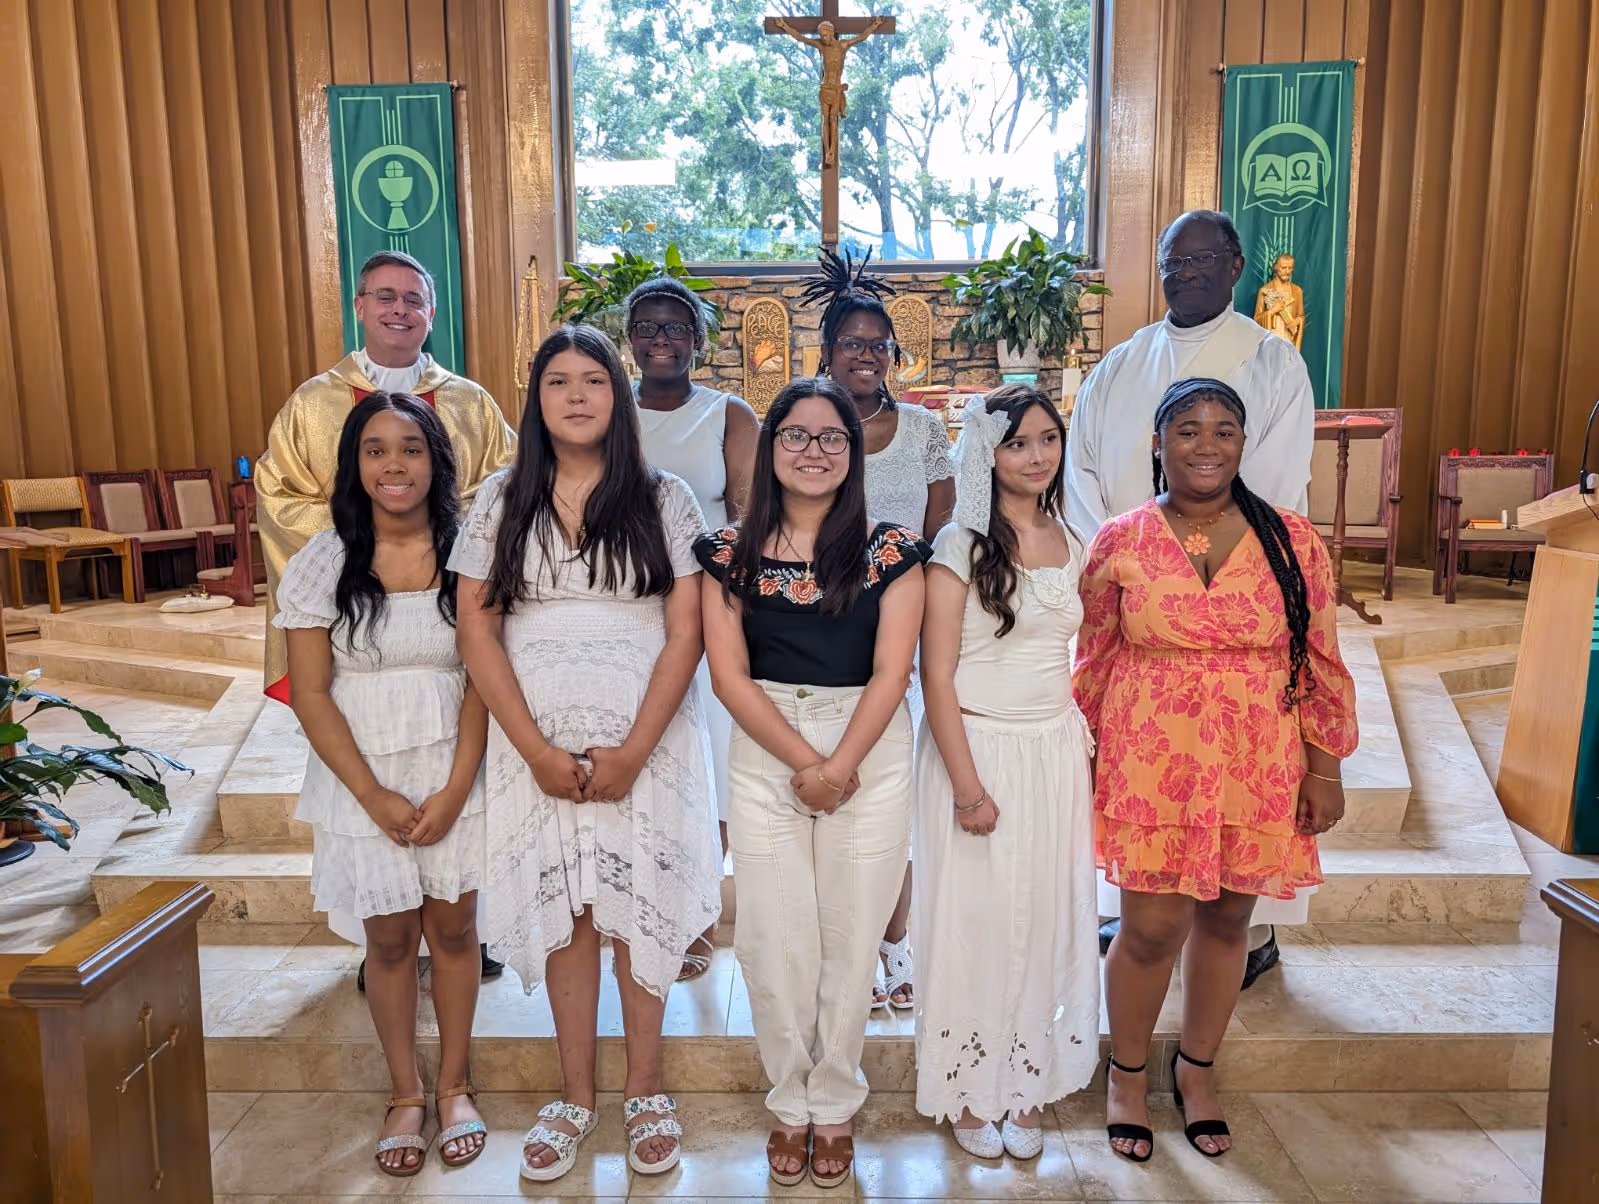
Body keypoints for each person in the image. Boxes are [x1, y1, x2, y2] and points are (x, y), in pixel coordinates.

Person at [450, 325, 721, 1183]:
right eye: (558, 381)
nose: (575, 395)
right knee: (566, 910)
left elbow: (687, 627)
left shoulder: (662, 495)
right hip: (535, 740)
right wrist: (529, 747)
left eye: (593, 381)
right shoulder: (499, 498)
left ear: (618, 394)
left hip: (649, 735)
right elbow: (476, 625)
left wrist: (637, 747)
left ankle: (644, 1088)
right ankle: (575, 1092)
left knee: (639, 900)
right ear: (535, 397)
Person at [1073, 378, 1357, 1162]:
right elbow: (1093, 659)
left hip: (1254, 754)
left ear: (1243, 444)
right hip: (1150, 753)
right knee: (1150, 925)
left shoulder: (1292, 540)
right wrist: (1086, 756)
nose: (1206, 444)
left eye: (1224, 430)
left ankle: (1197, 1071)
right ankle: (1126, 1075)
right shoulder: (1120, 539)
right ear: (1157, 444)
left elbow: (1321, 661)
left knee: (1230, 918)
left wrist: (1322, 768)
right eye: (1188, 430)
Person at [1066, 210, 1316, 984]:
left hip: (1237, 613)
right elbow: (1078, 477)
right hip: (1136, 602)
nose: (1188, 273)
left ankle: (1250, 931)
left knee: (1237, 796)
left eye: (1206, 259)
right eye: (1175, 260)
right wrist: (1121, 560)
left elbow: (1272, 488)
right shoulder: (1120, 364)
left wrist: (1201, 563)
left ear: (1236, 265)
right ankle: (1135, 916)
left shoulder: (1272, 361)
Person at [697, 376, 930, 1190]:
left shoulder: (891, 549)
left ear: (854, 451)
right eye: (794, 435)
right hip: (767, 744)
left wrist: (839, 764)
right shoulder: (724, 553)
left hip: (868, 745)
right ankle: (786, 1101)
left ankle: (832, 1103)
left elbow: (893, 670)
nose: (813, 451)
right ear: (769, 450)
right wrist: (804, 762)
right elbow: (728, 678)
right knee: (772, 937)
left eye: (832, 437)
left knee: (850, 934)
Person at [258, 249, 513, 986]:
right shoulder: (313, 402)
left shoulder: (468, 401)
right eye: (386, 298)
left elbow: (502, 493)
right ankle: (389, 943)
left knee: (458, 791)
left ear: (431, 313)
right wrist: (364, 542)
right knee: (374, 782)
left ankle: (463, 932)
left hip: (449, 605)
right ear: (361, 308)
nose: (400, 310)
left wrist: (442, 538)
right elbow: (279, 498)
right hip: (358, 622)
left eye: (414, 299)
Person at [275, 393, 489, 1177]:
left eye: (409, 448)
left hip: (454, 769)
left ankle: (456, 1083)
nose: (393, 465)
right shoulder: (324, 561)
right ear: (353, 465)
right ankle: (405, 1091)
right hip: (361, 774)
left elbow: (482, 681)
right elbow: (311, 691)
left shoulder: (471, 554)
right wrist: (372, 795)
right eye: (375, 450)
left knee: (457, 931)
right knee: (390, 940)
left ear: (437, 462)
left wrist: (458, 787)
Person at [913, 384, 1099, 1160]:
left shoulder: (1070, 533)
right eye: (1018, 443)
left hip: (1052, 750)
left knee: (1045, 915)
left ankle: (1025, 1083)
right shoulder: (959, 544)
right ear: (987, 453)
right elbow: (937, 673)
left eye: (1047, 440)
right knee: (977, 921)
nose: (1036, 456)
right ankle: (966, 1089)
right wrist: (965, 787)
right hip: (978, 749)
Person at [801, 247, 954, 1012]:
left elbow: (943, 532)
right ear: (825, 354)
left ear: (894, 353)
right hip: (822, 633)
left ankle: (893, 943)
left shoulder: (923, 430)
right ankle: (846, 948)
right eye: (850, 342)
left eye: (877, 343)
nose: (865, 354)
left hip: (904, 633)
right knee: (839, 793)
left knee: (893, 800)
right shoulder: (802, 429)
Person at [625, 277, 760, 981]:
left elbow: (746, 511)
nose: (660, 339)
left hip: (708, 601)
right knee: (646, 762)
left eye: (675, 328)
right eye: (646, 327)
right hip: (626, 608)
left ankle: (699, 920)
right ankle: (641, 910)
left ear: (697, 340)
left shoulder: (727, 414)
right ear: (629, 339)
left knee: (710, 762)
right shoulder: (609, 410)